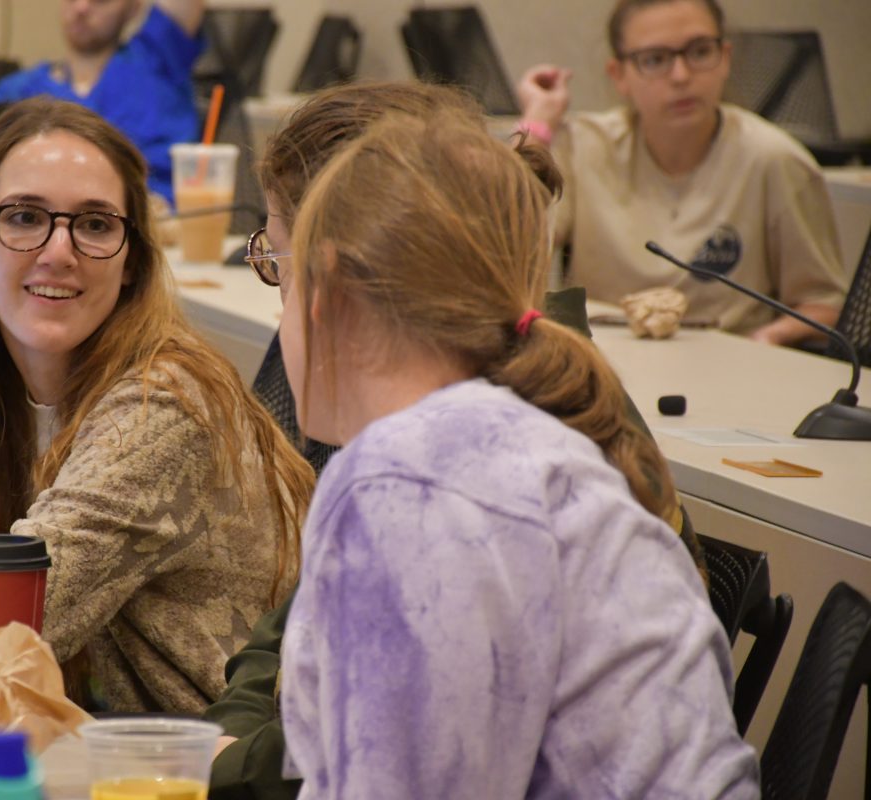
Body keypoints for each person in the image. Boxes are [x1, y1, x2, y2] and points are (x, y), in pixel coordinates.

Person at [206, 81, 706, 800]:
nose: (276, 303)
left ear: (331, 282)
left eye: (279, 267)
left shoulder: (412, 484)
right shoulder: (471, 438)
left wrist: (210, 769)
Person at [0, 97, 314, 715]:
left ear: (132, 259)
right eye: (24, 217)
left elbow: (4, 629)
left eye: (94, 225)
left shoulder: (161, 410)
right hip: (60, 730)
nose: (59, 251)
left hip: (185, 751)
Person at [517, 0, 846, 346]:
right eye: (655, 60)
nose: (681, 76)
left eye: (700, 52)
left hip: (730, 360)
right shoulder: (583, 147)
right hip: (603, 358)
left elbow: (822, 306)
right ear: (619, 75)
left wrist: (768, 338)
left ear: (726, 58)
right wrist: (536, 125)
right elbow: (511, 249)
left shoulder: (776, 160)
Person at [0, 0, 205, 204]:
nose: (82, 7)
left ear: (133, 7)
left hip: (161, 219)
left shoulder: (158, 59)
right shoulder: (17, 90)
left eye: (101, 0)